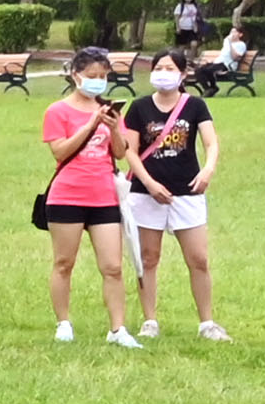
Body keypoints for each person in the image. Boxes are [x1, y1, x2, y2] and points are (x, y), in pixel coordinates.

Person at [120, 49, 226, 340]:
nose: (163, 72)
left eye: (169, 68)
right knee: (148, 258)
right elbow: (129, 150)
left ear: (182, 74)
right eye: (158, 67)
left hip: (187, 192)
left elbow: (211, 142)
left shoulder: (195, 106)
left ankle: (207, 323)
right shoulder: (139, 108)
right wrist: (149, 183)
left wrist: (207, 170)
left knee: (198, 258)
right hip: (146, 194)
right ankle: (149, 320)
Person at [40, 46, 140, 347]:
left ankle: (117, 329)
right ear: (76, 76)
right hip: (68, 195)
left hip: (104, 196)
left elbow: (121, 153)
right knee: (64, 262)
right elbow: (60, 150)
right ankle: (63, 323)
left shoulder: (109, 110)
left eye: (103, 76)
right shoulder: (58, 111)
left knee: (113, 266)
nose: (98, 81)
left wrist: (113, 128)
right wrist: (90, 125)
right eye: (91, 76)